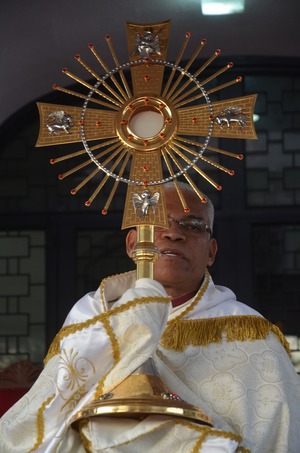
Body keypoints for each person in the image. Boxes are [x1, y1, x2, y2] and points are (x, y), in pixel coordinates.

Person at [1, 182, 300, 452]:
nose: (174, 233)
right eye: (158, 224)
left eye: (193, 225)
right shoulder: (94, 313)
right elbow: (53, 409)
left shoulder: (249, 333)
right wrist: (134, 324)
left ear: (211, 251)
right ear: (132, 244)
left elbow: (277, 435)